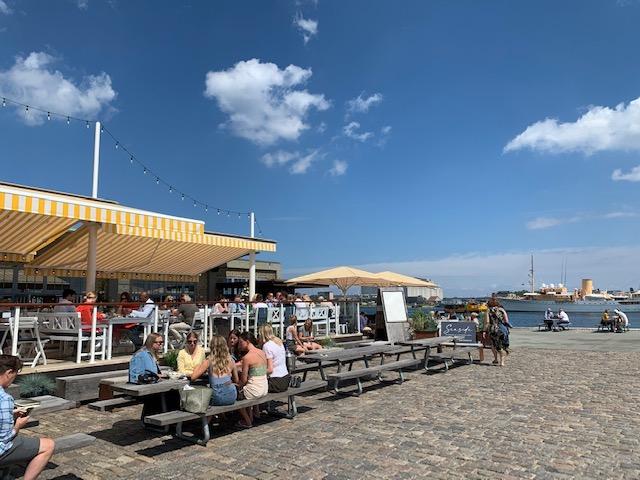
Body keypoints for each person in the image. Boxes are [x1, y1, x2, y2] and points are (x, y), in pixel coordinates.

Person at [0, 355, 54, 480]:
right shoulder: (5, 399)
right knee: (48, 445)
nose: (14, 379)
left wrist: (10, 413)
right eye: (15, 375)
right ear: (9, 373)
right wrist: (18, 425)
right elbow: (5, 438)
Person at [191, 335, 238, 406]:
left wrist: (198, 366)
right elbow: (236, 380)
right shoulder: (231, 360)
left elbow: (193, 377)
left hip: (217, 397)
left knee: (203, 399)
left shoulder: (209, 360)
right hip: (232, 396)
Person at [236, 331, 268, 428]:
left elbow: (244, 380)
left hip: (254, 391)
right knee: (247, 388)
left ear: (248, 341)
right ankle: (252, 415)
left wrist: (236, 384)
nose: (240, 344)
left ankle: (247, 420)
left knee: (236, 395)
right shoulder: (262, 352)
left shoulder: (247, 357)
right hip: (264, 388)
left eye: (241, 342)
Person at [260, 324, 290, 393]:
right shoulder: (279, 342)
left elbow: (270, 369)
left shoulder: (266, 346)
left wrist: (257, 372)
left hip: (275, 381)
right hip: (285, 378)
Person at [484, 298, 511, 367]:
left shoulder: (488, 311)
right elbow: (506, 321)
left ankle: (496, 359)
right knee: (502, 345)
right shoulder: (502, 310)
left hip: (493, 330)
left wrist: (484, 331)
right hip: (502, 329)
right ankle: (502, 362)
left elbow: (487, 322)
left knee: (493, 345)